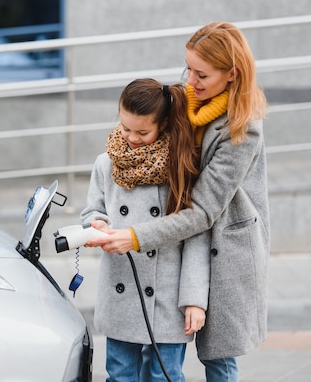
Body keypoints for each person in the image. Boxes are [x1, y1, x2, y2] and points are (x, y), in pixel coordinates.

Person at [86, 22, 270, 382]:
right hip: (181, 235)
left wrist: (134, 237)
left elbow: (202, 211)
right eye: (188, 68)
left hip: (224, 242)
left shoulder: (242, 129)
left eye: (201, 74)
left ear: (231, 75)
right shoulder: (187, 98)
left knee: (217, 357)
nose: (190, 80)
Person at [80, 78, 210, 382]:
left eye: (142, 132)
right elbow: (92, 211)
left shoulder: (179, 168)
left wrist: (194, 300)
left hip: (167, 295)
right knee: (120, 374)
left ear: (163, 125)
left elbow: (195, 236)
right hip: (121, 288)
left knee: (164, 375)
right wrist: (96, 225)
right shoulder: (105, 163)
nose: (131, 138)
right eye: (125, 129)